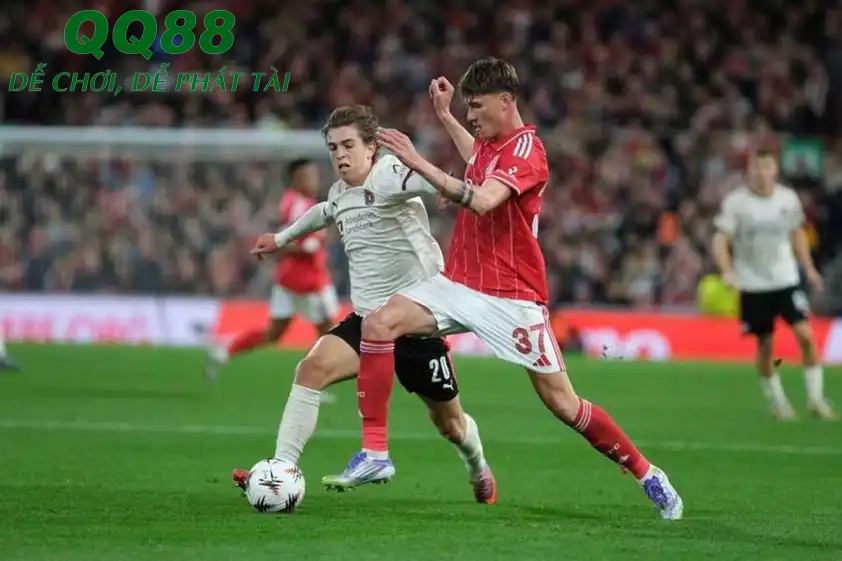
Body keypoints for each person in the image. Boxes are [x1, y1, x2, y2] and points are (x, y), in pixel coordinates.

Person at [323, 58, 683, 520]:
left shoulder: (527, 150)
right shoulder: (491, 145)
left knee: (563, 404)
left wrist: (417, 162)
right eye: (467, 107)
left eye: (476, 106)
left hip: (511, 296)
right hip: (459, 282)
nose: (471, 114)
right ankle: (375, 452)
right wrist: (445, 116)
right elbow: (475, 160)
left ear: (506, 101)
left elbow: (482, 200)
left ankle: (647, 473)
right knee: (379, 322)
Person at [235, 105, 497, 504]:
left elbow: (428, 180)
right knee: (310, 369)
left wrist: (443, 188)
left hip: (416, 323)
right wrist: (282, 238)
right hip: (367, 319)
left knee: (451, 425)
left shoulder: (390, 173)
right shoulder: (339, 194)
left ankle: (477, 466)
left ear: (372, 147)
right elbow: (324, 213)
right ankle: (280, 469)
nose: (340, 155)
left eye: (348, 145)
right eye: (333, 148)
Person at [712, 148, 837, 421]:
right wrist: (727, 270)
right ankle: (778, 402)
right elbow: (721, 239)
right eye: (757, 167)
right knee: (766, 345)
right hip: (753, 285)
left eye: (767, 167)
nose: (762, 173)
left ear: (775, 170)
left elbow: (797, 234)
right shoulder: (736, 203)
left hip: (786, 279)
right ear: (749, 170)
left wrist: (809, 268)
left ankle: (816, 399)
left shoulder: (787, 199)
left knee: (806, 335)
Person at [205, 159, 338, 381]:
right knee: (329, 334)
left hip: (289, 280)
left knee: (274, 333)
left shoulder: (295, 201)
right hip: (307, 282)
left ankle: (226, 349)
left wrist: (317, 241)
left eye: (314, 176)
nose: (314, 181)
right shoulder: (298, 204)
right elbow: (284, 242)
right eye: (308, 176)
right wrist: (310, 246)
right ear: (296, 179)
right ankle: (309, 381)